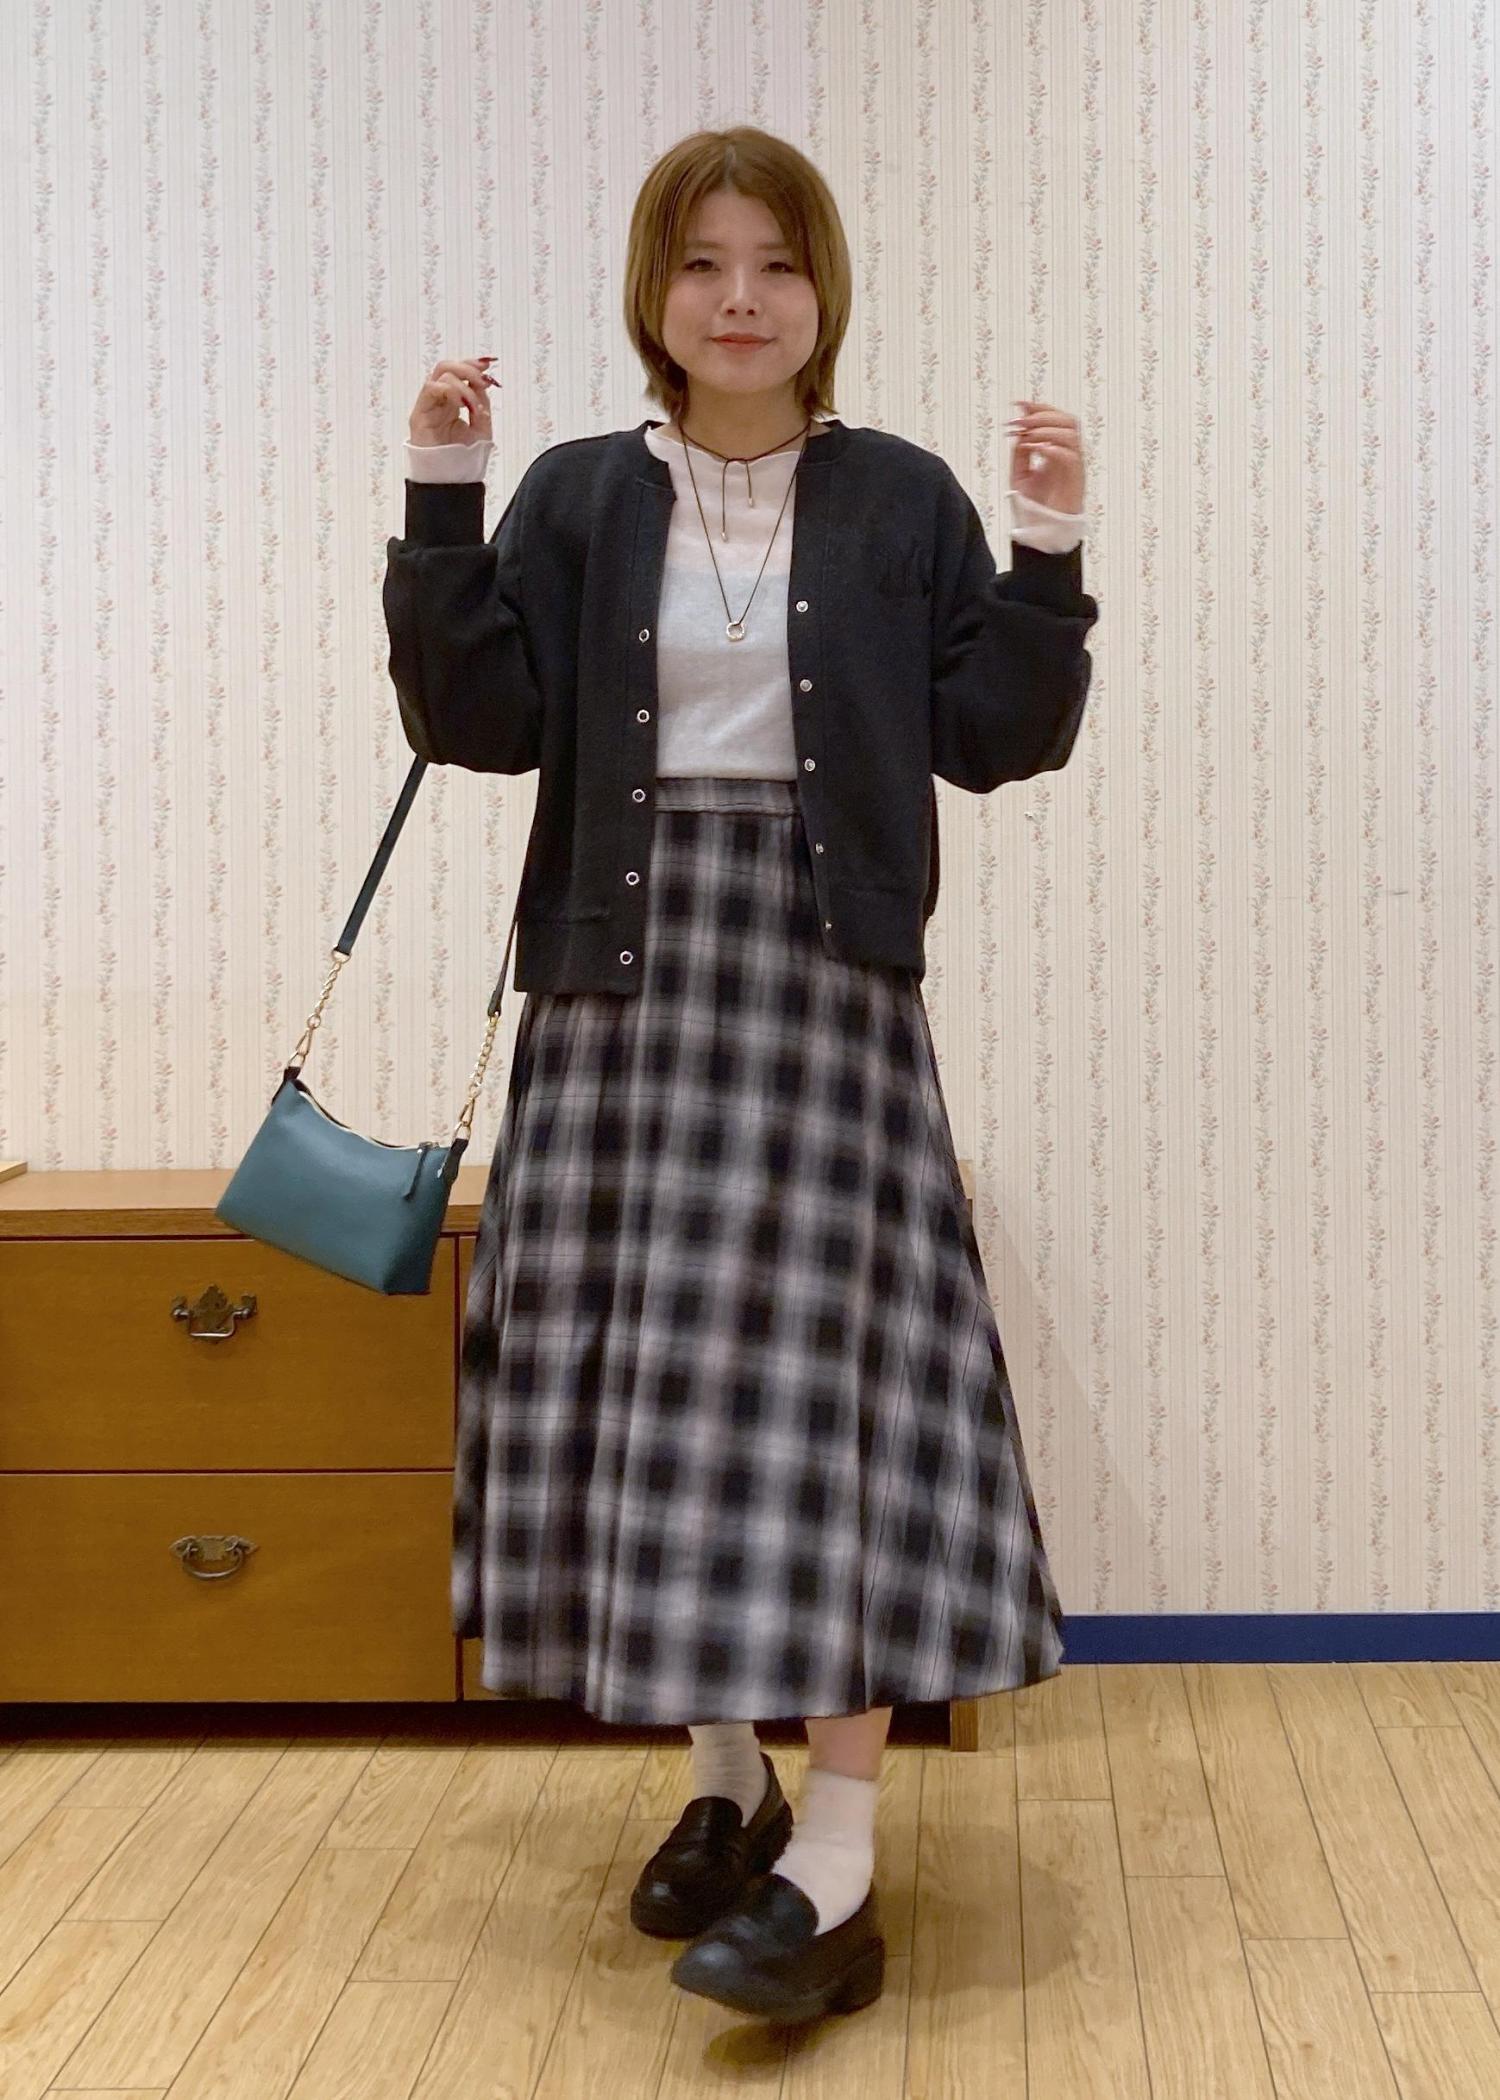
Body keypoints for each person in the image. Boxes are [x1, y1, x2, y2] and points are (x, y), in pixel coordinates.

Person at [386, 124, 1096, 2026]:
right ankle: (727, 1784)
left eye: (775, 264)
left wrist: (1048, 552)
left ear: (821, 290)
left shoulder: (900, 497)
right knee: (653, 1387)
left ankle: (836, 1854)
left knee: (819, 1395)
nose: (740, 298)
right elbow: (477, 722)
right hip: (614, 992)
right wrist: (442, 501)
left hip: (822, 989)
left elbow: (996, 739)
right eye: (702, 263)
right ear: (655, 290)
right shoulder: (575, 494)